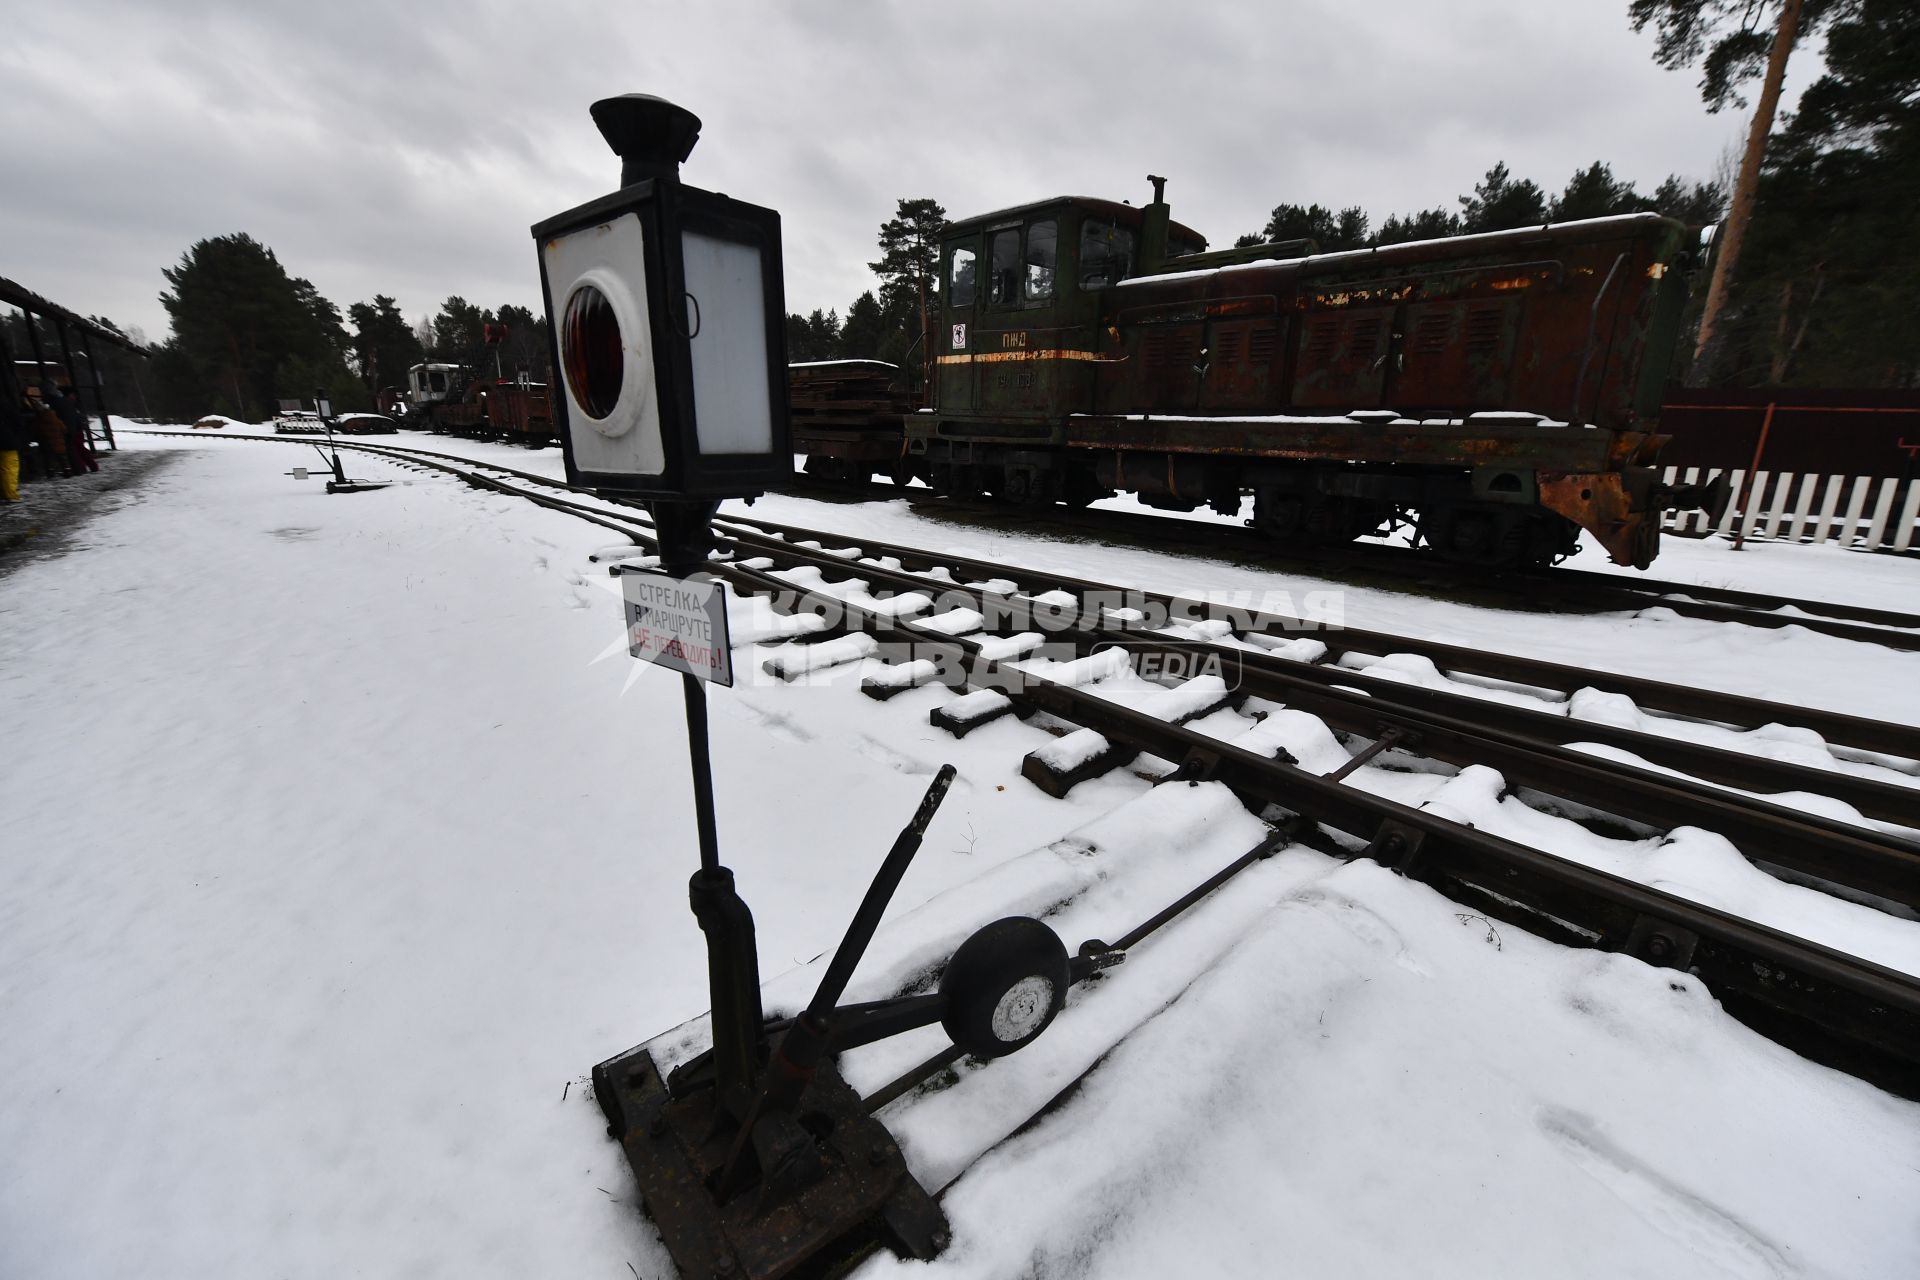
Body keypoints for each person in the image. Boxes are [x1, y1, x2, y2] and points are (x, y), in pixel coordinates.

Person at [25, 386, 67, 479]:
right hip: (58, 441)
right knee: (61, 457)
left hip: (46, 442)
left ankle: (50, 472)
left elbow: (36, 429)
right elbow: (64, 428)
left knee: (48, 458)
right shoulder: (56, 419)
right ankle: (67, 470)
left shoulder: (40, 420)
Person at [55, 386, 97, 475]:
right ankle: (90, 466)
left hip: (73, 429)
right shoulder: (71, 404)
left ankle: (82, 468)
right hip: (76, 428)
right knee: (80, 449)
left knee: (76, 449)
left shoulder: (64, 404)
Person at [0, 380, 25, 502]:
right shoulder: (6, 404)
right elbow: (18, 423)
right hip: (7, 441)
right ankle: (10, 494)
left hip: (7, 439)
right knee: (10, 468)